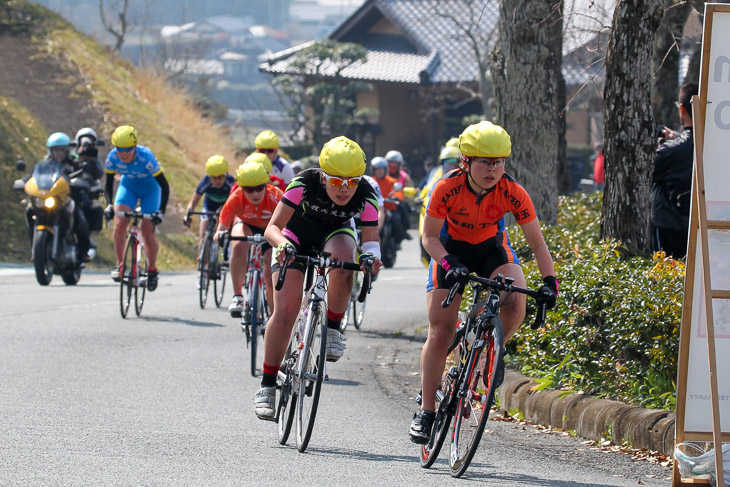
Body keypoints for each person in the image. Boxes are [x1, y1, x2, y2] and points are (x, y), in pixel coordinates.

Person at [409, 121, 557, 444]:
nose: (493, 169)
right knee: (440, 332)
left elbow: (537, 243)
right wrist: (449, 264)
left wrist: (550, 283)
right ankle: (428, 411)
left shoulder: (512, 191)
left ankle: (487, 351)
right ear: (466, 162)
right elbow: (429, 237)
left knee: (516, 301)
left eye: (499, 161)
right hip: (451, 251)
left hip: (491, 250)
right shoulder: (446, 188)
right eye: (485, 161)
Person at [253, 136, 383, 420]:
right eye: (336, 181)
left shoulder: (366, 193)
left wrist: (371, 257)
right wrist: (283, 245)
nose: (345, 189)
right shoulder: (303, 183)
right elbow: (273, 228)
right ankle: (267, 385)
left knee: (345, 261)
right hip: (295, 236)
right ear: (323, 176)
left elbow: (370, 240)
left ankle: (333, 328)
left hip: (334, 235)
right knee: (285, 310)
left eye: (351, 181)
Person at [213, 162, 283, 318]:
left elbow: (289, 225)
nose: (255, 194)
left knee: (269, 271)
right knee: (238, 246)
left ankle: (273, 318)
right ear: (242, 189)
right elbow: (219, 232)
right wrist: (221, 236)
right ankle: (237, 296)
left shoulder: (276, 196)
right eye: (250, 190)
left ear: (266, 185)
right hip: (246, 225)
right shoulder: (235, 198)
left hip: (270, 230)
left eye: (259, 188)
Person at [104, 125, 169, 291]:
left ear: (134, 147)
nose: (123, 154)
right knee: (120, 223)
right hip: (129, 187)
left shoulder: (146, 157)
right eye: (120, 149)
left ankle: (152, 270)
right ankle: (120, 265)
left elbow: (164, 185)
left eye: (127, 149)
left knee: (147, 231)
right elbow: (108, 184)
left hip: (151, 190)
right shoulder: (112, 158)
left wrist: (160, 211)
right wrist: (109, 205)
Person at [651, 82, 698, 259]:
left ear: (682, 110)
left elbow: (649, 172)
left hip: (670, 232)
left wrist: (664, 145)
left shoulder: (671, 152)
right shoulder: (715, 148)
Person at [35, 132, 94, 262]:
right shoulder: (45, 166)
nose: (59, 153)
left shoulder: (74, 164)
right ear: (51, 151)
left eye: (62, 149)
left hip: (69, 200)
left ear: (67, 150)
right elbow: (34, 177)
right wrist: (25, 182)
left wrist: (82, 181)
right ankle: (36, 247)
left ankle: (83, 252)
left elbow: (84, 176)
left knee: (81, 223)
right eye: (56, 150)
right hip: (48, 200)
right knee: (30, 209)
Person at [183, 155, 236, 261]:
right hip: (209, 205)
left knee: (225, 224)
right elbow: (193, 201)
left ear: (225, 175)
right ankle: (204, 261)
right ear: (209, 176)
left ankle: (228, 250)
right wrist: (188, 214)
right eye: (213, 177)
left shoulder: (231, 181)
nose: (217, 180)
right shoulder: (206, 181)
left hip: (226, 205)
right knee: (203, 231)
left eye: (220, 177)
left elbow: (236, 201)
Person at [371, 156, 408, 246]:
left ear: (385, 170)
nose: (379, 172)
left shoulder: (391, 181)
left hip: (389, 208)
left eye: (381, 170)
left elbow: (397, 192)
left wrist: (395, 197)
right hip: (375, 209)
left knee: (396, 221)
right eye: (377, 170)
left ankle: (397, 242)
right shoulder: (371, 181)